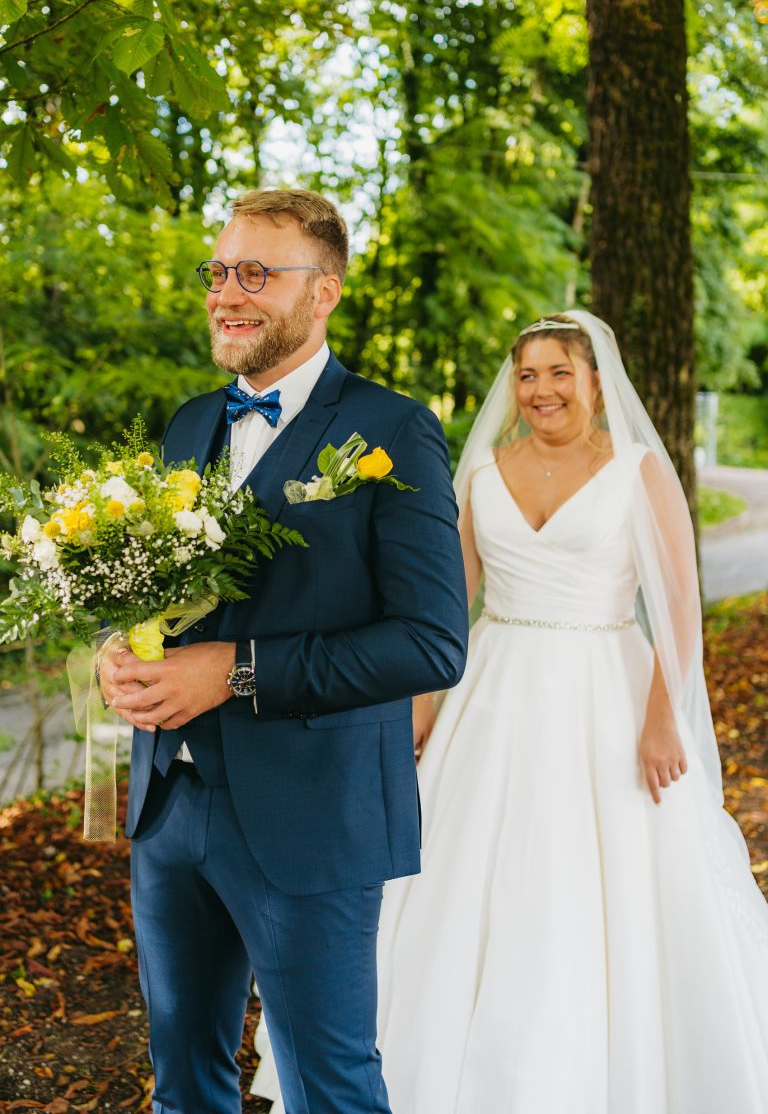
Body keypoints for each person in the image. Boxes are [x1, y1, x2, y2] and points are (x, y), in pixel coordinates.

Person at [254, 311, 768, 1114]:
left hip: (606, 687)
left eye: (560, 372)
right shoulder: (484, 474)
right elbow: (444, 607)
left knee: (603, 877)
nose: (542, 390)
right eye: (528, 375)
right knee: (455, 869)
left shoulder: (639, 471)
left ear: (596, 382)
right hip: (491, 690)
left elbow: (677, 604)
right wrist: (421, 712)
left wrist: (665, 717)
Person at [99, 187, 468, 1114]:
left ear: (325, 292)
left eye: (257, 273)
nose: (229, 291)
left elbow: (430, 643)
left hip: (313, 816)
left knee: (329, 1087)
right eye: (219, 271)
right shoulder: (189, 423)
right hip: (168, 805)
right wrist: (120, 644)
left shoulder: (393, 429)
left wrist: (236, 670)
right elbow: (161, 589)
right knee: (183, 1081)